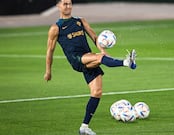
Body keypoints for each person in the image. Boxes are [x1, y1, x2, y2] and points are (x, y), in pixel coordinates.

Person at [43, 0, 136, 135]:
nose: (68, 6)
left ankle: (84, 127)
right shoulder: (56, 28)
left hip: (88, 56)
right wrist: (48, 71)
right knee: (98, 57)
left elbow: (94, 37)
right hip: (77, 59)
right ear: (58, 6)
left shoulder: (80, 21)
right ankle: (126, 62)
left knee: (97, 92)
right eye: (64, 3)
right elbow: (50, 51)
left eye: (69, 3)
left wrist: (102, 50)